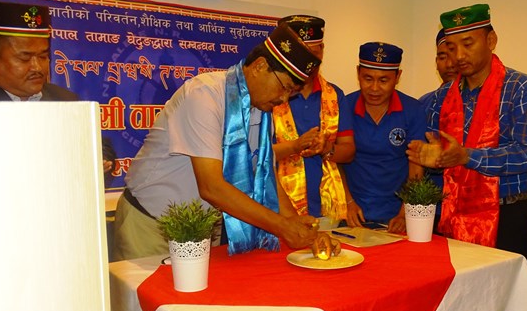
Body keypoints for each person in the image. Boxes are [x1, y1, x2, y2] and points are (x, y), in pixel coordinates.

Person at [114, 23, 340, 261]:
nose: (283, 99)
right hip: (151, 226)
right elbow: (212, 187)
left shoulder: (261, 110)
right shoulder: (205, 95)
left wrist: (299, 227)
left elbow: (265, 174)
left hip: (201, 231)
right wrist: (283, 227)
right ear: (260, 66)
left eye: (291, 94)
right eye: (284, 88)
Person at [407, 4, 527, 311]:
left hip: (509, 212)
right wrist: (431, 159)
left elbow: (526, 154)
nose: (459, 55)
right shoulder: (441, 98)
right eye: (451, 47)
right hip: (455, 214)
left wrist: (465, 156)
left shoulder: (521, 88)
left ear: (492, 40)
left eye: (469, 43)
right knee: (463, 310)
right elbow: (434, 155)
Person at [0, 0, 117, 184]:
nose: (38, 67)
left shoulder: (65, 100)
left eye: (43, 56)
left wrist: (98, 164)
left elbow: (101, 148)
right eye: (24, 58)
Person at [272, 15, 355, 225]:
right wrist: (294, 146)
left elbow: (348, 150)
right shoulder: (270, 96)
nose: (306, 63)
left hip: (327, 207)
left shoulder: (335, 96)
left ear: (323, 50)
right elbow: (257, 155)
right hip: (279, 208)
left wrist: (326, 148)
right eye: (300, 55)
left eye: (313, 54)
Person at [341, 42, 425, 233]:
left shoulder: (413, 110)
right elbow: (335, 160)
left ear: (398, 77)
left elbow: (416, 164)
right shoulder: (344, 105)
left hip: (395, 216)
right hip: (352, 213)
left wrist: (406, 212)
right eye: (368, 79)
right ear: (358, 73)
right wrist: (347, 202)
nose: (374, 88)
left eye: (384, 80)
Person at [417, 28, 458, 232]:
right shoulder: (422, 104)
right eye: (442, 57)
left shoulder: (486, 106)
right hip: (429, 208)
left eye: (454, 56)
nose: (449, 64)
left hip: (468, 211)